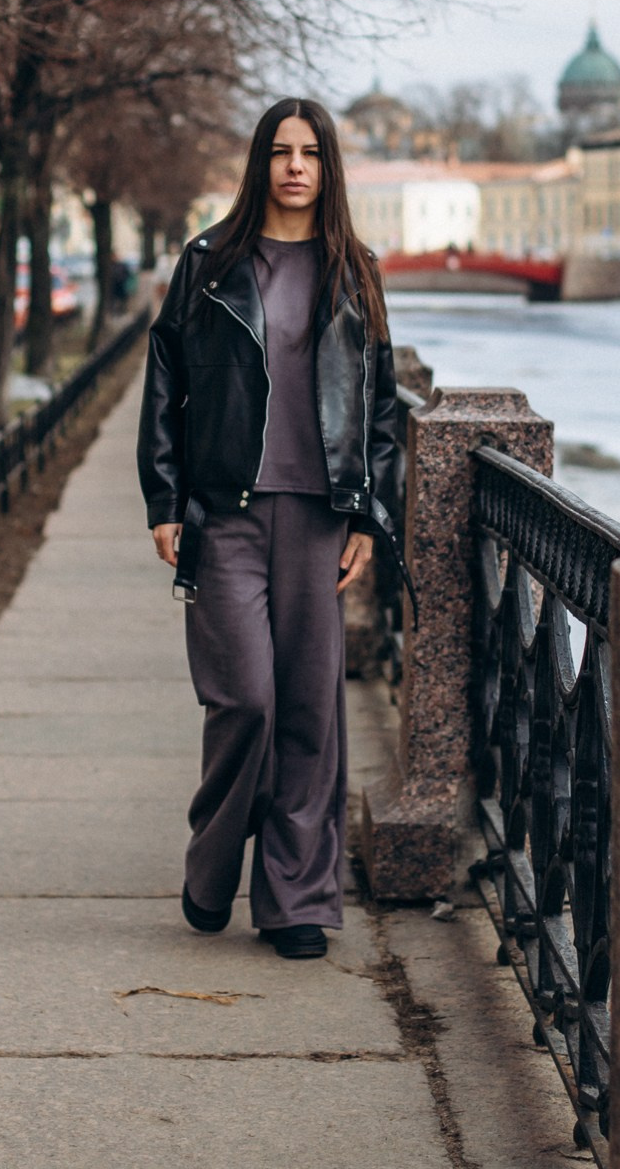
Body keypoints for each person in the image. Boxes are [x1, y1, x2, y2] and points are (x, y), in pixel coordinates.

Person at [137, 98, 403, 960]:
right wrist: (166, 498)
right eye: (282, 152)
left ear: (328, 169)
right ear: (261, 164)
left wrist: (369, 509)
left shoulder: (354, 270)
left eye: (312, 153)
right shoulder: (211, 262)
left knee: (308, 717)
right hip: (228, 517)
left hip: (321, 517)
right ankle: (213, 867)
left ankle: (297, 901)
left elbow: (381, 404)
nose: (295, 166)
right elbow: (165, 375)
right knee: (244, 700)